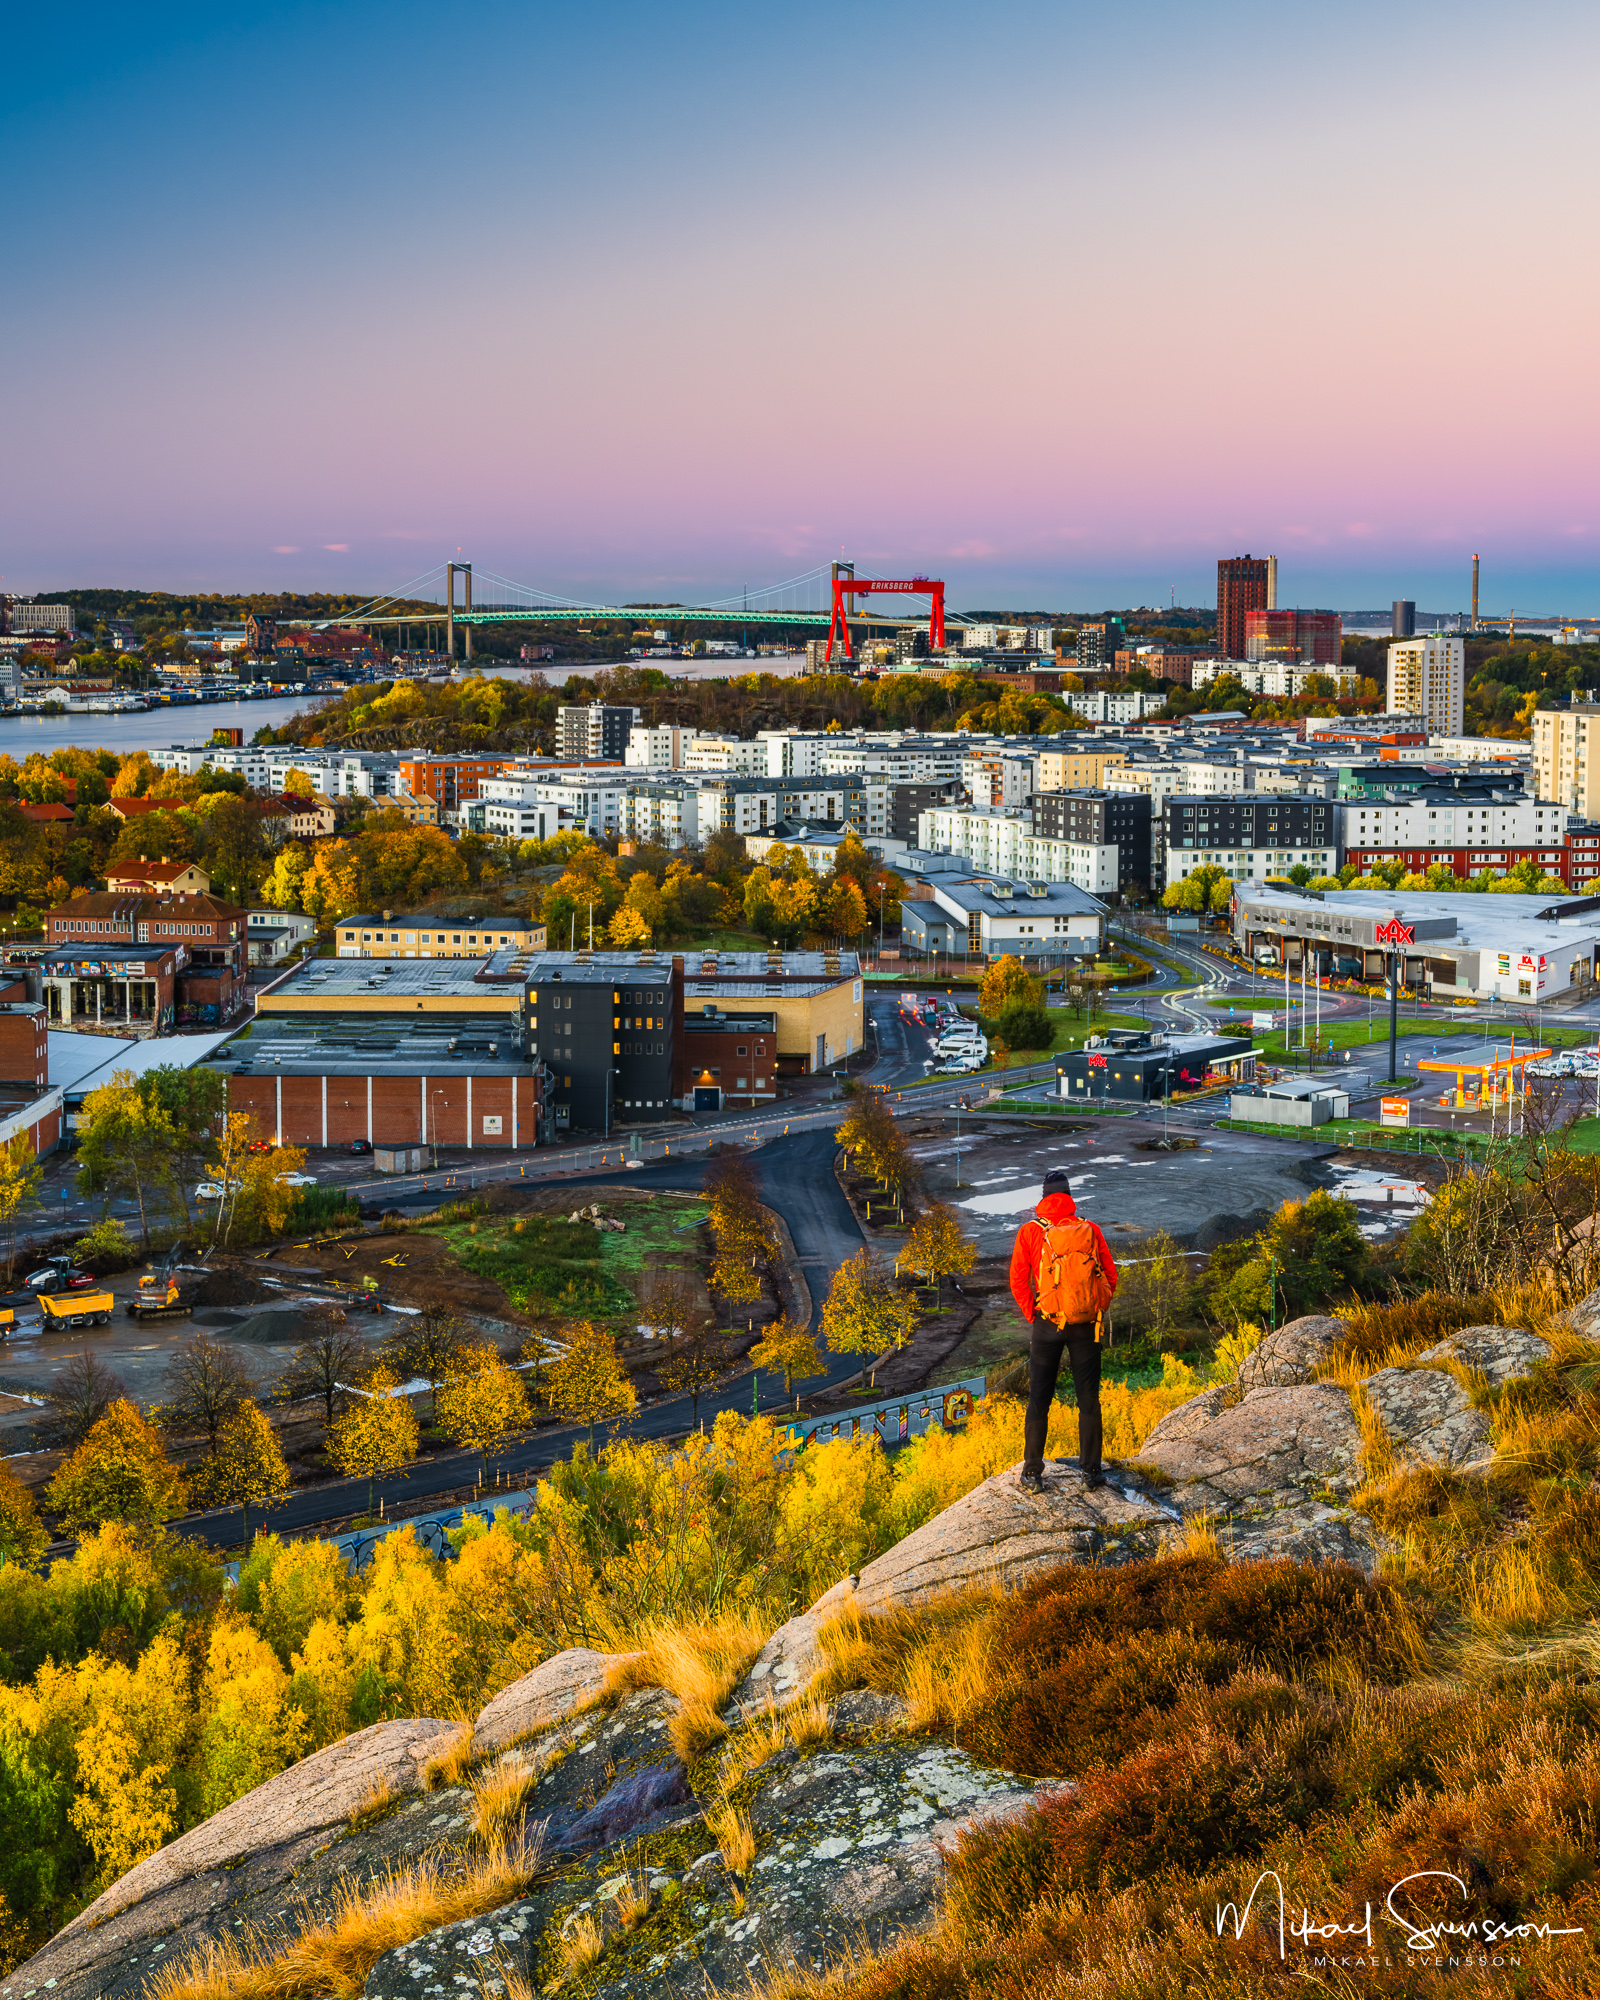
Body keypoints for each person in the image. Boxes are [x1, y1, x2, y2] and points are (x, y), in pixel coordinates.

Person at [1008, 1168, 1118, 1494]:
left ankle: (1031, 1474)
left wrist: (1034, 1313)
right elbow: (1109, 1275)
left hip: (1047, 1325)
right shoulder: (1090, 1229)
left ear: (1043, 1198)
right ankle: (1092, 1472)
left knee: (1039, 1400)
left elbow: (1018, 1279)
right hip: (1086, 1326)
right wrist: (1095, 1307)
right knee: (1088, 1400)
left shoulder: (1030, 1231)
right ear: (1069, 1197)